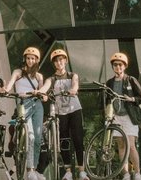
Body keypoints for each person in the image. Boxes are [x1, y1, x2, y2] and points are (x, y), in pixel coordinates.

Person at [38, 49, 87, 180]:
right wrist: (40, 92)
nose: (59, 63)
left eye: (61, 60)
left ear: (65, 61)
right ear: (54, 63)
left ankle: (82, 170)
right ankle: (68, 171)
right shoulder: (52, 79)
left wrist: (73, 89)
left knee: (77, 139)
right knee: (64, 140)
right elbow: (45, 86)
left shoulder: (72, 75)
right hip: (61, 112)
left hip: (75, 110)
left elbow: (75, 84)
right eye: (56, 61)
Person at [6, 47, 46, 180]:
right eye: (28, 58)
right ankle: (29, 170)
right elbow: (10, 84)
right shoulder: (18, 72)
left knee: (38, 138)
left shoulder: (39, 76)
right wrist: (5, 90)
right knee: (31, 137)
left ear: (37, 60)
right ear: (25, 59)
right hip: (23, 105)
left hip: (37, 105)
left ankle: (33, 169)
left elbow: (41, 91)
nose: (30, 60)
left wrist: (42, 94)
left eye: (33, 58)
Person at [106, 52, 141, 180]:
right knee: (121, 145)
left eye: (120, 65)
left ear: (124, 66)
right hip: (116, 116)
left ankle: (138, 173)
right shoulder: (109, 82)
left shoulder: (130, 80)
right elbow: (107, 100)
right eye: (115, 65)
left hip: (129, 116)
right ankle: (126, 174)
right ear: (113, 67)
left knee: (131, 145)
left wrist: (131, 99)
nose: (118, 67)